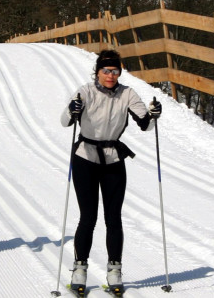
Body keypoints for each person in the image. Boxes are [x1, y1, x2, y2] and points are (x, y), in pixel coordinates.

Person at [59, 50, 161, 296]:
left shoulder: (127, 93)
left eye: (115, 71)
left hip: (114, 158)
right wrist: (72, 109)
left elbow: (145, 123)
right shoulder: (85, 91)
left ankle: (115, 271)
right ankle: (79, 269)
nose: (111, 76)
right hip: (85, 157)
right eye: (106, 71)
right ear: (98, 72)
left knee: (113, 217)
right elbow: (65, 121)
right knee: (88, 217)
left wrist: (155, 114)